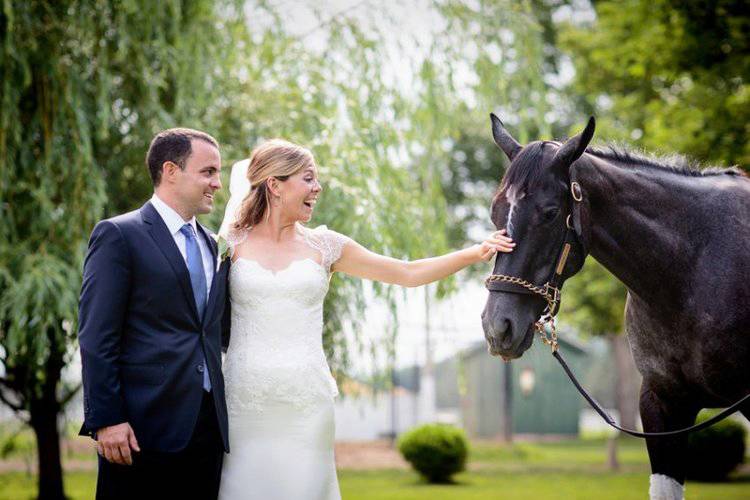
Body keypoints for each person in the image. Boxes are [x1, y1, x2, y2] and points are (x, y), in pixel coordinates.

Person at [217, 139, 514, 499]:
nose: (318, 188)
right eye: (308, 179)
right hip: (243, 403)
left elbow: (406, 272)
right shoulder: (228, 243)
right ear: (275, 185)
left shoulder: (325, 246)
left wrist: (474, 252)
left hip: (306, 404)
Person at [78, 128, 231, 499]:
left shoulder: (215, 245)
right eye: (208, 172)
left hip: (207, 428)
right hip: (139, 430)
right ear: (171, 170)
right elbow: (97, 336)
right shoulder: (119, 235)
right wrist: (107, 419)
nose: (218, 183)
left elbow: (213, 331)